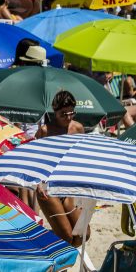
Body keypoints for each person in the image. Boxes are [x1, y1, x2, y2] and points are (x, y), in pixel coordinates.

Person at [35, 91, 86, 247]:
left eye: (71, 113)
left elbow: (81, 159)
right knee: (66, 236)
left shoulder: (78, 128)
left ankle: (49, 248)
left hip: (69, 185)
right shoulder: (45, 130)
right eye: (63, 114)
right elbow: (35, 160)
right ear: (54, 111)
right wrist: (38, 184)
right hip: (49, 186)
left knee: (82, 234)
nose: (68, 117)